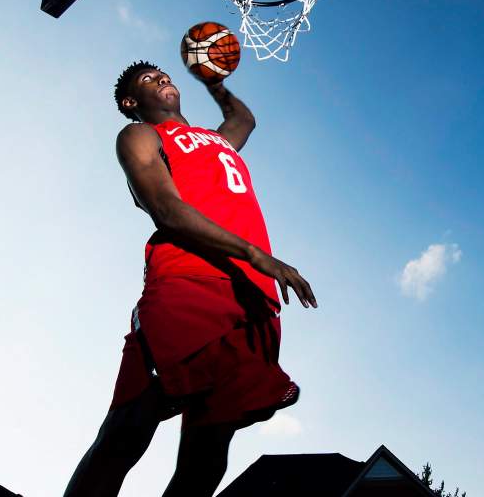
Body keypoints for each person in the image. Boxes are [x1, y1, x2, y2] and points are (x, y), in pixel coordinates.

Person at [63, 61, 317, 497]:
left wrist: (213, 80)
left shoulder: (217, 141)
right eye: (148, 80)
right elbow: (166, 208)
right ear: (131, 103)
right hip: (189, 280)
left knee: (208, 451)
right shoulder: (141, 136)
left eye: (163, 74)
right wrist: (258, 254)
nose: (161, 79)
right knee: (130, 425)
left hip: (252, 296)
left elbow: (244, 119)